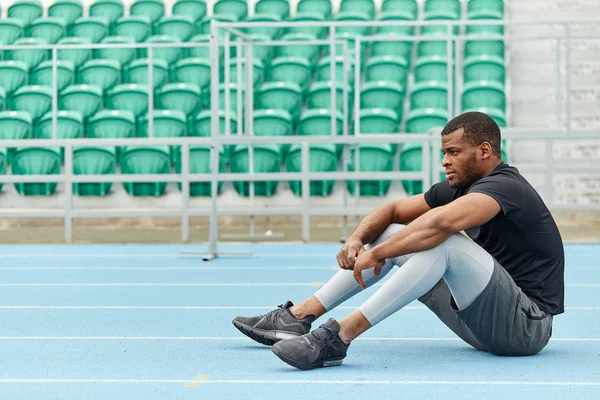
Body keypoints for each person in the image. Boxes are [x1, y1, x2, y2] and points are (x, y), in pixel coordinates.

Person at [232, 111, 564, 370]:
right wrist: (357, 238)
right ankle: (298, 318)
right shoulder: (460, 186)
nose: (444, 161)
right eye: (443, 152)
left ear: (485, 150)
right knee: (393, 232)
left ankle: (338, 337)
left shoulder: (507, 187)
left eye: (453, 152)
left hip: (525, 327)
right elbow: (392, 210)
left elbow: (441, 223)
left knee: (442, 242)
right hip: (477, 323)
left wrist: (377, 254)